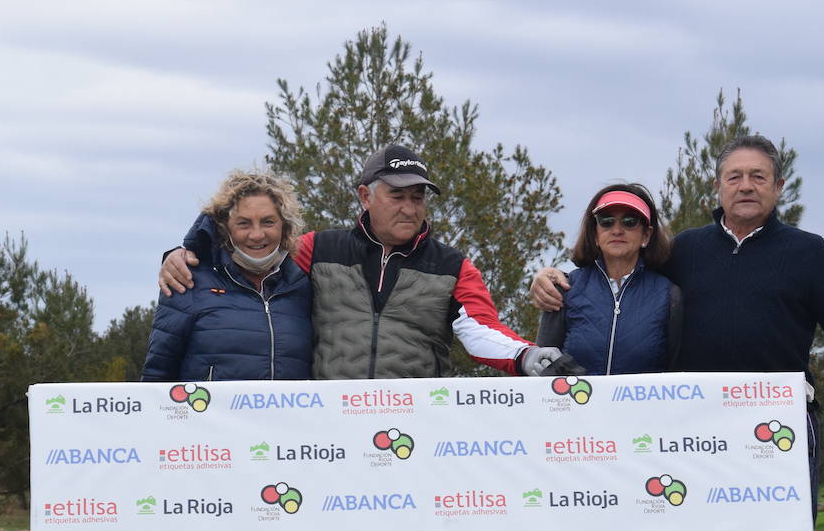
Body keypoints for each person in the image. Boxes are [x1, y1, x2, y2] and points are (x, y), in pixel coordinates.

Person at [531, 135, 824, 514]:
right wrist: (550, 276)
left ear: (779, 187)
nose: (746, 186)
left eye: (758, 176)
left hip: (779, 424)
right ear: (718, 186)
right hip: (697, 428)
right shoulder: (685, 249)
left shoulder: (809, 251)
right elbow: (619, 276)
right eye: (734, 176)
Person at [159, 144, 560, 379]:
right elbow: (246, 250)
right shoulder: (318, 248)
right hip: (326, 431)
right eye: (397, 196)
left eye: (418, 197)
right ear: (365, 197)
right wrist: (183, 251)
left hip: (416, 431)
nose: (409, 208)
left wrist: (526, 356)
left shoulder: (453, 266)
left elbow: (481, 331)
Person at [142, 170, 312, 381]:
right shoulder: (187, 281)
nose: (257, 234)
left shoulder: (301, 287)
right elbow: (157, 375)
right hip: (205, 414)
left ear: (284, 227)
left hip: (290, 415)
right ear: (225, 228)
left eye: (268, 222)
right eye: (244, 223)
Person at [535, 183, 682, 374]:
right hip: (576, 402)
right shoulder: (565, 288)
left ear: (646, 234)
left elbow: (676, 371)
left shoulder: (669, 296)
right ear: (595, 233)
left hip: (645, 404)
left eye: (629, 221)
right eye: (606, 221)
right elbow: (542, 363)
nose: (617, 230)